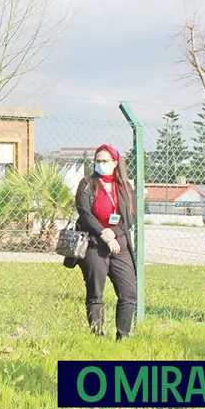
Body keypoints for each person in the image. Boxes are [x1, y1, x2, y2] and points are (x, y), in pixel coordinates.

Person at [74, 144, 137, 341]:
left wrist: (114, 235)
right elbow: (85, 214)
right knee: (95, 292)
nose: (100, 164)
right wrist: (104, 234)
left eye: (105, 161)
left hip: (120, 243)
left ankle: (123, 336)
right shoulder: (86, 184)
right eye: (98, 161)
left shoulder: (126, 187)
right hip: (94, 243)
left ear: (115, 163)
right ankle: (98, 336)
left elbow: (130, 218)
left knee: (128, 293)